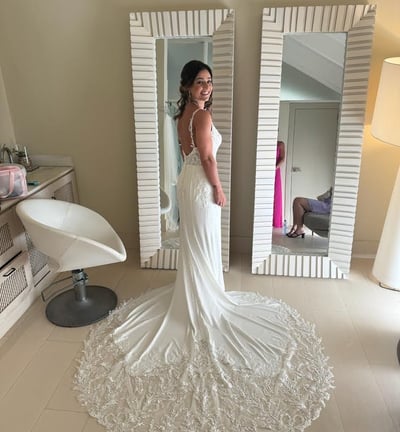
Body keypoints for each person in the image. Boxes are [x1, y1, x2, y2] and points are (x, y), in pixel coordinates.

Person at [74, 60, 334, 431]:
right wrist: (219, 187)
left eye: (209, 82)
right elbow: (208, 157)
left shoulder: (184, 116)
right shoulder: (199, 117)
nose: (206, 88)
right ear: (186, 86)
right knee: (202, 244)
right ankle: (203, 301)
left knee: (197, 245)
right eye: (199, 82)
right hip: (201, 185)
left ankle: (198, 293)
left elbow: (191, 154)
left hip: (188, 181)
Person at [273, 140, 285, 228]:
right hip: (264, 170)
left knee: (276, 195)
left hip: (275, 171)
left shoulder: (280, 144)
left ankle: (276, 221)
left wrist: (274, 168)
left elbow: (282, 158)